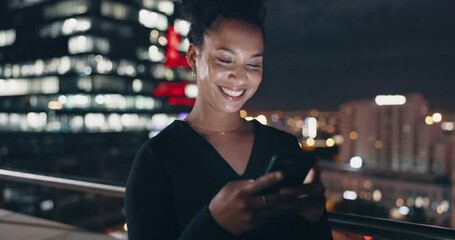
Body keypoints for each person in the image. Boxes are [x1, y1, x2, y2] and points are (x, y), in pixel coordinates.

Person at [125, 0, 333, 239]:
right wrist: (214, 224)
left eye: (254, 63)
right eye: (225, 59)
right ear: (193, 57)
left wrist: (315, 218)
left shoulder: (282, 146)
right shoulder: (158, 157)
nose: (240, 76)